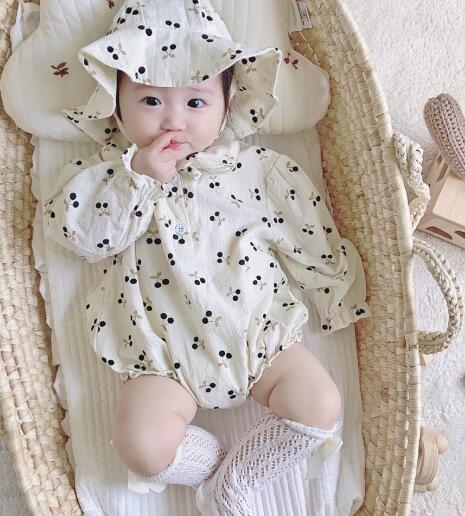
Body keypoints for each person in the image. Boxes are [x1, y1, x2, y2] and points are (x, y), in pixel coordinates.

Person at [43, 0, 371, 513]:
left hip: (258, 335)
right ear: (116, 103)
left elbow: (308, 231)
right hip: (160, 353)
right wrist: (138, 179)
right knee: (141, 446)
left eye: (196, 102)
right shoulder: (108, 177)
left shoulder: (259, 170)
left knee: (321, 405)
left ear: (228, 103)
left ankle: (234, 482)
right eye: (151, 100)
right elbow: (79, 235)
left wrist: (334, 297)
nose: (173, 120)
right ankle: (217, 471)